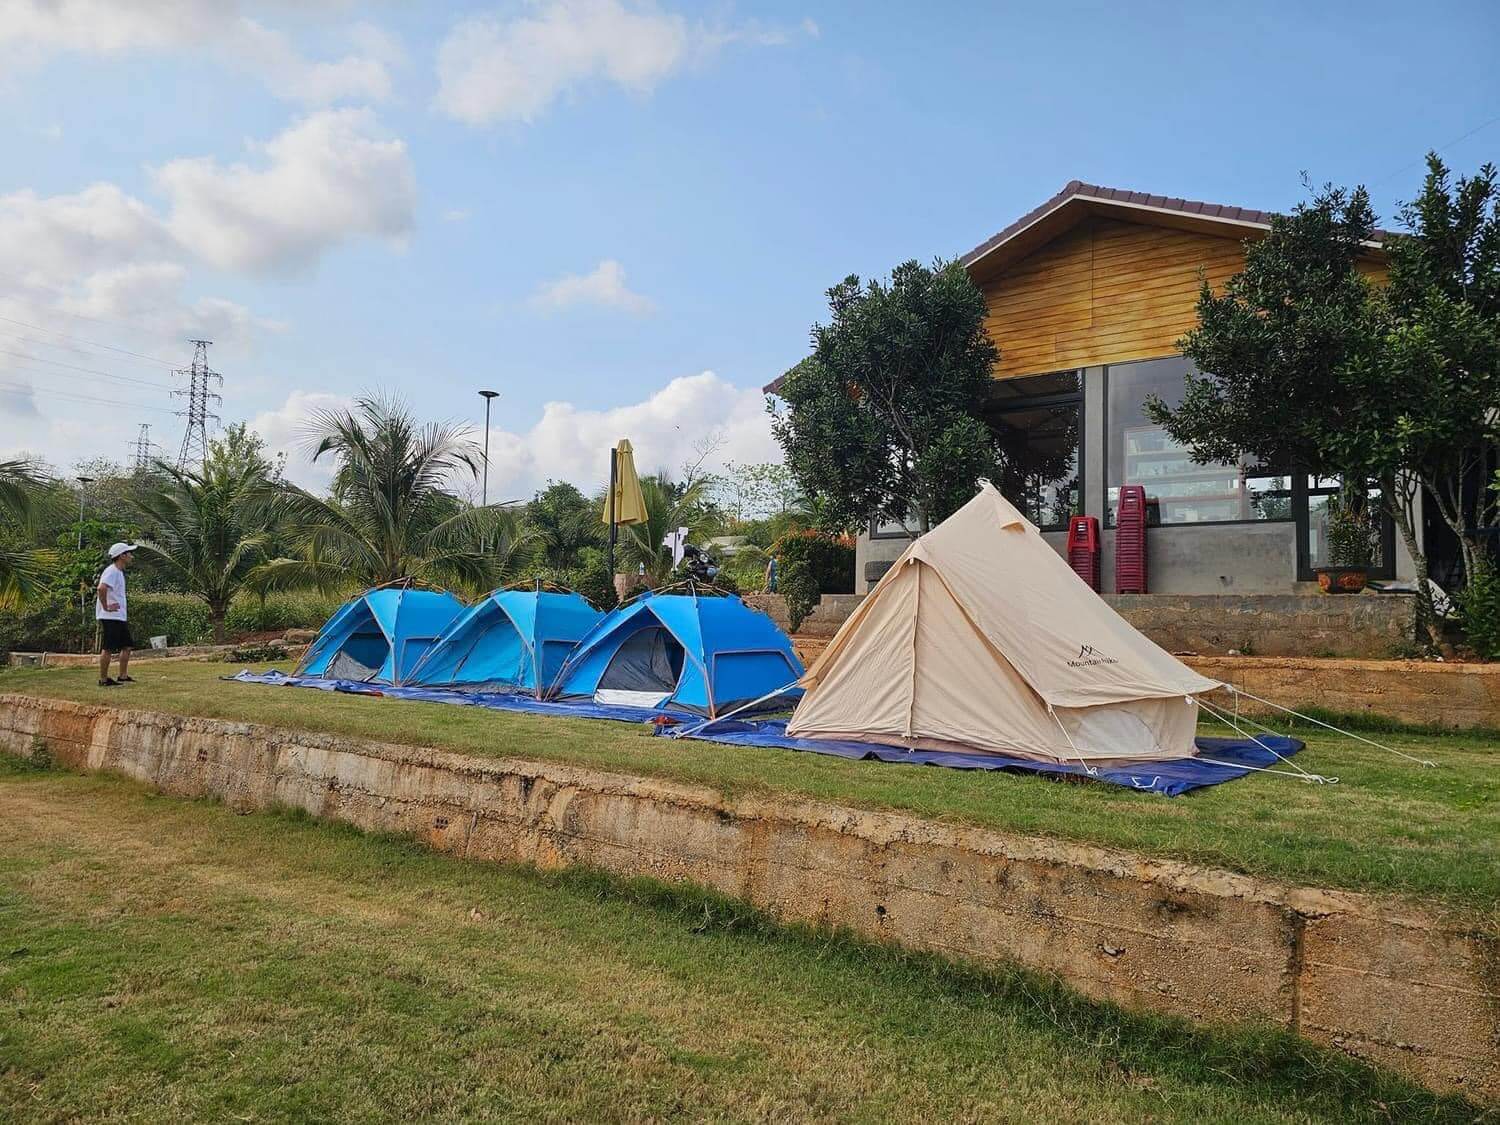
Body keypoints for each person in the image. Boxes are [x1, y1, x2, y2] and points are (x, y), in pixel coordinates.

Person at [96, 542, 138, 687]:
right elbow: (101, 588)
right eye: (129, 553)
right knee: (108, 647)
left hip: (118, 616)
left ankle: (123, 676)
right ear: (122, 556)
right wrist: (106, 607)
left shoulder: (118, 572)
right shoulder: (112, 571)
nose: (131, 556)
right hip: (110, 617)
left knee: (127, 645)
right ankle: (103, 679)